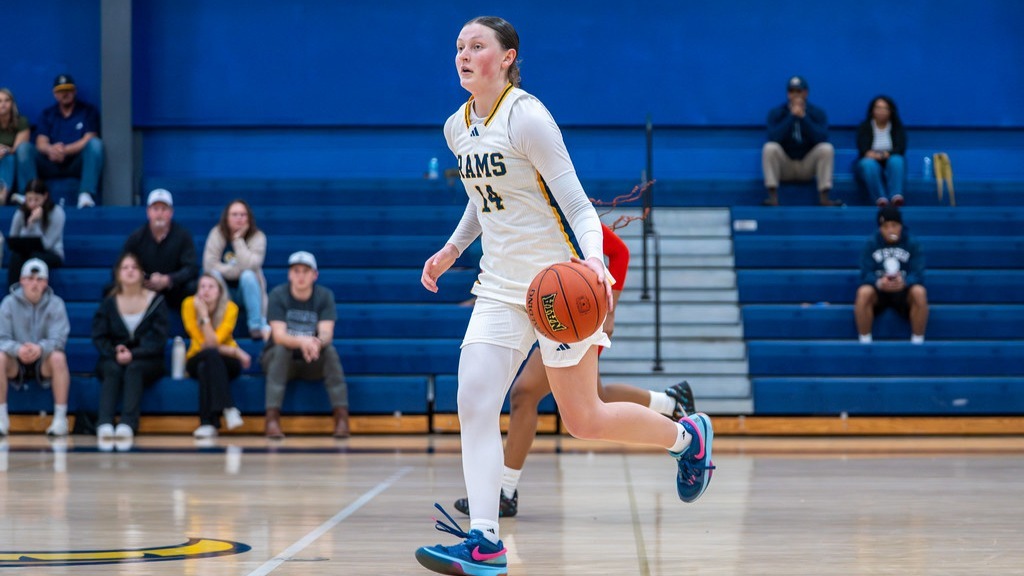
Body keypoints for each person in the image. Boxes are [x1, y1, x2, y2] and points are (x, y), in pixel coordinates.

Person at [415, 17, 714, 576]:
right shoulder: (457, 128)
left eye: (477, 46)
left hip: (558, 283)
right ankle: (484, 540)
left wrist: (595, 266)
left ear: (506, 58)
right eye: (458, 46)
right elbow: (484, 201)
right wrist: (452, 251)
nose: (463, 54)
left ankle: (686, 437)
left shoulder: (528, 116)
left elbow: (578, 205)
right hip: (501, 287)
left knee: (584, 418)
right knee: (474, 401)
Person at [452, 223, 697, 518]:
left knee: (527, 394)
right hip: (545, 312)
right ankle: (670, 401)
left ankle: (505, 490)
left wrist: (611, 308)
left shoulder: (565, 212)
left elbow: (620, 252)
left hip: (571, 317)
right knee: (595, 398)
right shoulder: (519, 214)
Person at [261, 251, 349, 439]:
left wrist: (316, 342)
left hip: (311, 359)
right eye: (296, 271)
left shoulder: (324, 295)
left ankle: (341, 418)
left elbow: (327, 333)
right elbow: (278, 336)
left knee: (330, 352)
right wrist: (303, 341)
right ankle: (272, 420)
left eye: (305, 271)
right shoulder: (278, 295)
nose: (300, 276)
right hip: (279, 361)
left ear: (314, 275)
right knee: (282, 349)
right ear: (289, 274)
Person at [91, 252, 169, 440]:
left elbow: (158, 339)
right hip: (113, 356)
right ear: (118, 273)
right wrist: (114, 351)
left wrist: (134, 354)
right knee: (112, 368)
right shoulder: (109, 303)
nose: (130, 271)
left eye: (134, 267)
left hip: (148, 360)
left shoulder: (156, 301)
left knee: (134, 368)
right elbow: (99, 336)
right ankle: (104, 422)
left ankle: (128, 423)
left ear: (142, 273)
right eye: (125, 267)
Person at [0, 259, 70, 436]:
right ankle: (1, 418)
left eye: (39, 280)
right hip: (15, 361)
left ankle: (60, 419)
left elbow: (59, 339)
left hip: (44, 360)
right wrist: (18, 350)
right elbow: (1, 338)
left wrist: (40, 348)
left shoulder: (56, 304)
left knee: (59, 357)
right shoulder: (8, 303)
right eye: (30, 279)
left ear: (46, 283)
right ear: (21, 280)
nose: (34, 283)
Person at [18, 74, 103, 208]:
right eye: (61, 91)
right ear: (55, 94)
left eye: (68, 90)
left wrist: (65, 150)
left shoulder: (87, 111)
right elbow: (41, 142)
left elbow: (89, 137)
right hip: (50, 162)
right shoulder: (48, 114)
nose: (65, 94)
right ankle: (32, 194)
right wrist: (50, 149)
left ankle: (85, 194)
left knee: (95, 144)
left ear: (74, 91)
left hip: (76, 163)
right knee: (24, 149)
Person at [181, 274, 247, 439]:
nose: (206, 291)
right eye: (202, 286)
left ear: (220, 291)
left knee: (208, 363)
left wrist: (203, 318)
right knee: (206, 360)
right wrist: (234, 351)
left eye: (211, 287)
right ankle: (229, 408)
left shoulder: (230, 308)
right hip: (196, 358)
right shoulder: (189, 304)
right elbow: (204, 344)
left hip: (226, 363)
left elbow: (212, 343)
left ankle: (208, 424)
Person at [762, 75, 841, 207]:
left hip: (807, 165)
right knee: (769, 148)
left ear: (806, 93)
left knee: (826, 149)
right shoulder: (777, 113)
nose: (795, 95)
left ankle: (824, 198)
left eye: (798, 91)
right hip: (785, 165)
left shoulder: (817, 112)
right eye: (792, 91)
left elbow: (821, 137)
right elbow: (774, 137)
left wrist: (803, 117)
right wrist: (791, 117)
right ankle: (773, 198)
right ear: (787, 94)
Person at [855, 205, 928, 344]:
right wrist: (879, 282)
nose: (890, 230)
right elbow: (865, 274)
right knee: (863, 292)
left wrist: (905, 282)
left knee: (919, 292)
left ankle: (917, 342)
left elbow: (918, 273)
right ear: (880, 228)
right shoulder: (871, 243)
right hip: (879, 291)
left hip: (904, 292)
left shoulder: (912, 243)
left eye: (894, 225)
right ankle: (865, 342)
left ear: (900, 226)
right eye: (886, 226)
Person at [202, 199, 270, 340]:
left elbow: (251, 265)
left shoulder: (258, 236)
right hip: (223, 288)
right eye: (234, 214)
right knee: (213, 275)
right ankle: (219, 325)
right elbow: (209, 265)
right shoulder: (217, 233)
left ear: (249, 218)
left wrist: (238, 239)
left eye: (243, 215)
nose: (239, 218)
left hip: (247, 290)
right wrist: (236, 269)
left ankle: (255, 326)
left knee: (248, 276)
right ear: (226, 217)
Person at [122, 189, 199, 311]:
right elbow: (123, 265)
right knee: (112, 288)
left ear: (171, 212)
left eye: (164, 209)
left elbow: (191, 268)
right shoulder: (136, 237)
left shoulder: (183, 235)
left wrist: (168, 279)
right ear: (148, 212)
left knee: (193, 287)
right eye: (155, 209)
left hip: (173, 289)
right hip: (144, 288)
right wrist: (141, 278)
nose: (159, 214)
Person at [7, 179, 65, 290]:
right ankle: (13, 291)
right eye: (29, 199)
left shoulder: (57, 213)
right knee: (16, 256)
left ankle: (35, 292)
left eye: (37, 200)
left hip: (52, 253)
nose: (32, 204)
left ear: (45, 196)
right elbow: (13, 238)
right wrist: (28, 226)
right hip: (27, 252)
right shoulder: (20, 212)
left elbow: (47, 245)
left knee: (35, 257)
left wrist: (33, 224)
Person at [855, 95, 907, 207]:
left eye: (885, 108)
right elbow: (863, 149)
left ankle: (896, 196)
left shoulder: (897, 127)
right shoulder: (865, 127)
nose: (881, 111)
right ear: (872, 110)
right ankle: (880, 199)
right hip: (870, 160)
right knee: (868, 164)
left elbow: (900, 148)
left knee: (897, 160)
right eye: (878, 108)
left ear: (891, 111)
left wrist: (884, 155)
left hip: (889, 159)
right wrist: (873, 155)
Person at [0, 88, 30, 205]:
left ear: (12, 103)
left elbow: (18, 149)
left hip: (11, 161)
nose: (3, 104)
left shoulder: (21, 122)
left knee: (9, 158)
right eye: (0, 101)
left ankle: (2, 195)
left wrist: (4, 149)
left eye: (7, 100)